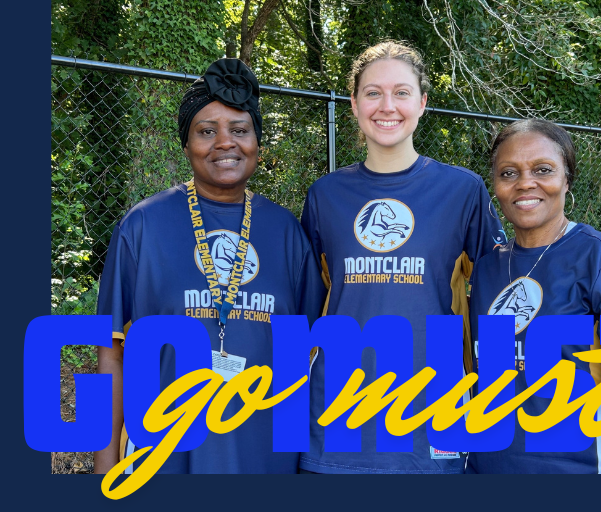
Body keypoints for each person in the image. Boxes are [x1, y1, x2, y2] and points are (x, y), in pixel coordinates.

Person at [94, 58, 324, 475]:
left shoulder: (287, 232)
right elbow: (111, 355)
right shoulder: (144, 226)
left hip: (265, 456)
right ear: (186, 144)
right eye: (206, 131)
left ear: (257, 143)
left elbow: (303, 360)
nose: (225, 143)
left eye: (240, 130)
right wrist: (103, 471)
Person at [297, 41, 504, 474]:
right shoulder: (325, 195)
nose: (386, 105)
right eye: (372, 93)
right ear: (353, 104)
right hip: (337, 429)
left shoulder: (462, 191)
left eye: (401, 92)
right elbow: (305, 311)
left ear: (423, 103)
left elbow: (498, 305)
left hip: (431, 424)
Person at [467, 119, 601, 474]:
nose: (525, 183)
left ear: (566, 179)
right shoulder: (486, 269)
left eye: (543, 169)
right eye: (508, 173)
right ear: (496, 187)